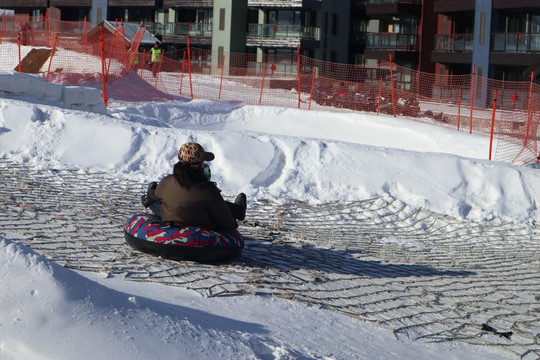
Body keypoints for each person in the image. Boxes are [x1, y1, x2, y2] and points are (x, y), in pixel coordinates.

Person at [141, 142, 247, 230]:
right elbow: (226, 222)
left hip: (172, 224)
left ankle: (238, 209)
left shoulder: (166, 182)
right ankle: (238, 210)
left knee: (163, 202)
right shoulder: (208, 190)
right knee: (217, 205)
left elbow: (158, 195)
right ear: (200, 165)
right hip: (201, 234)